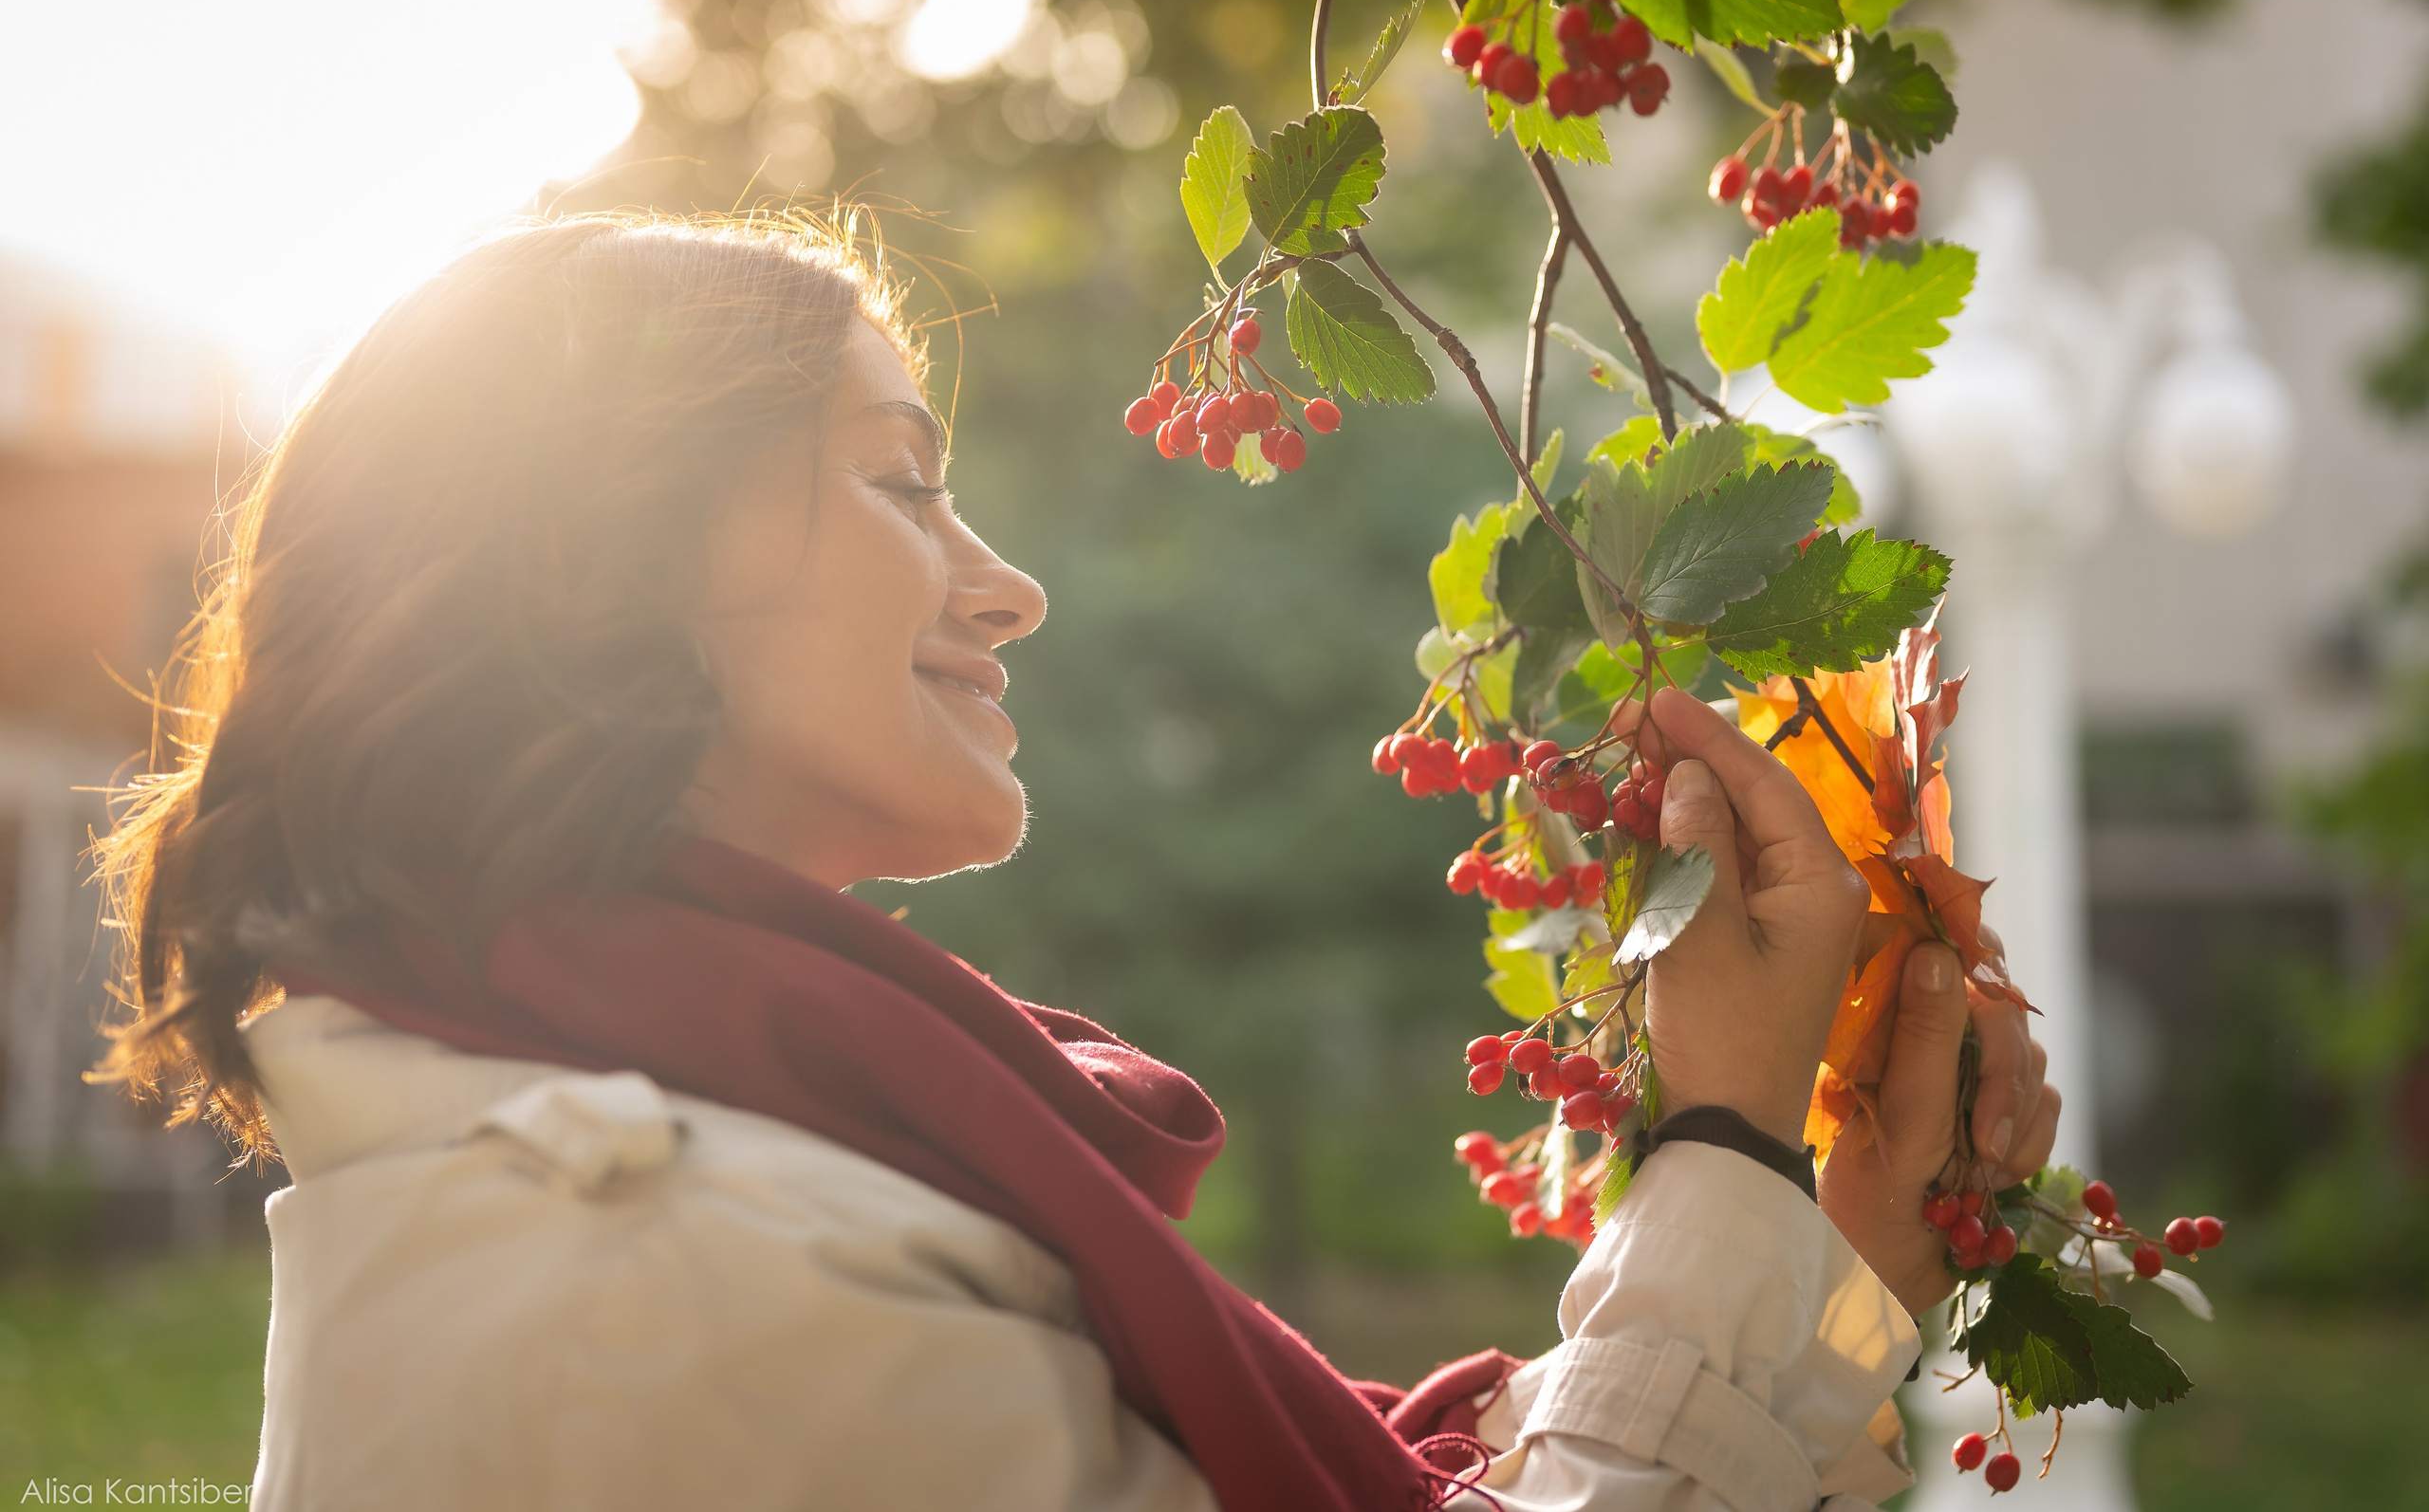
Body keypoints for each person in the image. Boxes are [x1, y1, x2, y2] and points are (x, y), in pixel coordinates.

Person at [98, 213, 2060, 1512]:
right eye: (899, 482)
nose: (1009, 588)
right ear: (594, 564)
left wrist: (1833, 1261)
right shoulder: (658, 1271)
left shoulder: (686, 1167)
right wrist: (1717, 1146)